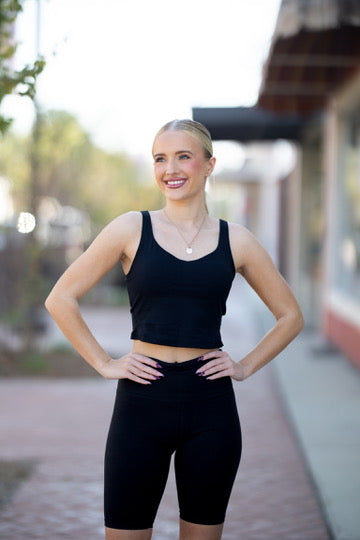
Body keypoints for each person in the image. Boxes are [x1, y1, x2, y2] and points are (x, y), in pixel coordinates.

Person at [45, 119, 304, 540]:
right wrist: (104, 362)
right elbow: (60, 298)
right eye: (160, 159)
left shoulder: (236, 240)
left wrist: (244, 366)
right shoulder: (131, 228)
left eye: (183, 156)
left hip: (211, 405)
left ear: (209, 164)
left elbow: (291, 315)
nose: (171, 169)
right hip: (141, 402)